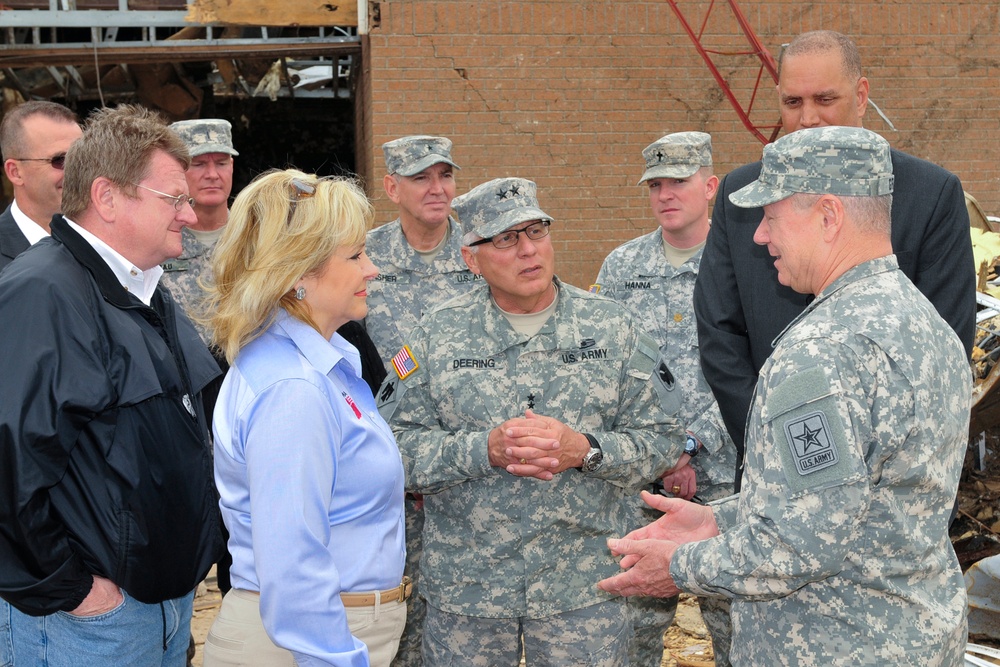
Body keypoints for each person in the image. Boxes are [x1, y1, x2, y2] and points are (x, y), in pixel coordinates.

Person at [599, 126, 971, 666]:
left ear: (827, 216)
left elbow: (798, 544)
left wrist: (678, 566)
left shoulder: (823, 350)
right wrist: (720, 519)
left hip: (831, 644)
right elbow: (863, 497)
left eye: (771, 216)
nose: (758, 235)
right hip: (911, 634)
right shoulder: (921, 321)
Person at [378, 177, 684, 666]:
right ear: (470, 258)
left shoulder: (613, 326)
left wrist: (585, 450)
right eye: (505, 239)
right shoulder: (435, 335)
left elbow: (665, 438)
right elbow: (390, 448)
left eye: (536, 231)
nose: (527, 250)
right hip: (468, 593)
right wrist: (483, 450)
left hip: (584, 588)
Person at [694, 30, 975, 488]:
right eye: (792, 103)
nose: (808, 119)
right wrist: (782, 440)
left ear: (861, 96)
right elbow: (719, 331)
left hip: (885, 484)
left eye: (825, 98)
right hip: (774, 476)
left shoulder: (930, 194)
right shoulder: (742, 196)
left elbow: (944, 346)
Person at [0, 104, 224, 665]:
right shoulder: (42, 294)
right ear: (106, 197)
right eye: (175, 200)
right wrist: (71, 590)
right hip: (88, 623)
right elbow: (8, 468)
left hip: (161, 608)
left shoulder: (144, 286)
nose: (190, 216)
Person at [200, 170, 407, 667]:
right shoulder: (294, 388)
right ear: (297, 272)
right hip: (305, 644)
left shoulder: (317, 365)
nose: (372, 268)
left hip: (321, 634)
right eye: (355, 255)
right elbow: (292, 564)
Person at [593, 131, 737, 666]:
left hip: (729, 483)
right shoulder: (621, 268)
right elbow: (608, 371)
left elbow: (757, 373)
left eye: (678, 181)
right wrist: (663, 451)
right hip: (642, 484)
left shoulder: (746, 264)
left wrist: (693, 444)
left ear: (710, 186)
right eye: (654, 184)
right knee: (629, 630)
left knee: (740, 629)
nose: (665, 194)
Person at [366, 135, 480, 667]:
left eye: (444, 175)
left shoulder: (481, 249)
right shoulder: (363, 256)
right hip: (386, 461)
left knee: (467, 608)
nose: (437, 189)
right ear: (391, 187)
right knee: (396, 603)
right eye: (420, 178)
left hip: (469, 461)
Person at [0, 100, 82, 269]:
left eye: (82, 157)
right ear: (15, 172)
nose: (77, 171)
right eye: (60, 160)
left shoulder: (108, 241)